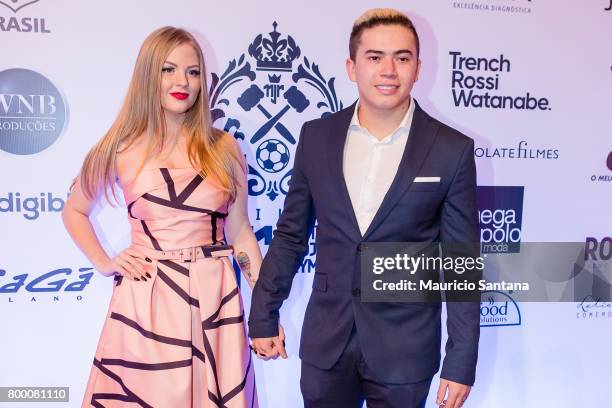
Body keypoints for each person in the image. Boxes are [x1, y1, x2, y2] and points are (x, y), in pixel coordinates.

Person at [249, 8, 480, 408]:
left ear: (418, 68)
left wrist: (460, 361)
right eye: (374, 57)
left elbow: (461, 262)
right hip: (326, 342)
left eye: (402, 58)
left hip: (405, 349)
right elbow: (290, 234)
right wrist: (263, 314)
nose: (388, 70)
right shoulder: (316, 137)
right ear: (352, 67)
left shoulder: (451, 150)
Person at [62, 27, 261, 407]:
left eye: (193, 71)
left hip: (215, 300)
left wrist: (265, 309)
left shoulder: (224, 148)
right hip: (147, 304)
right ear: (147, 75)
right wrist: (105, 262)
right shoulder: (120, 147)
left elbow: (241, 232)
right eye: (168, 70)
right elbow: (74, 210)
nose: (181, 82)